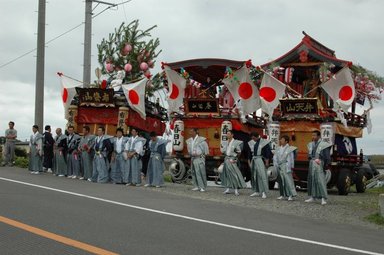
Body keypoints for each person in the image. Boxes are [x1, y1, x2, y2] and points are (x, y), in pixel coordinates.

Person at [305, 130, 332, 205]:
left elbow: (327, 156)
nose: (313, 137)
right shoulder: (311, 144)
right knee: (312, 179)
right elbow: (309, 155)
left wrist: (326, 165)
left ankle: (323, 198)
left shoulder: (324, 144)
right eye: (312, 135)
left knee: (320, 180)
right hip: (312, 162)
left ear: (319, 136)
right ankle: (312, 196)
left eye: (314, 135)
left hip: (319, 162)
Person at [220, 130, 246, 196]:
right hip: (226, 159)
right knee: (227, 174)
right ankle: (228, 188)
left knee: (234, 174)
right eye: (227, 134)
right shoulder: (226, 142)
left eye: (229, 134)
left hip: (232, 159)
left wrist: (235, 159)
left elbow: (239, 152)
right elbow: (224, 151)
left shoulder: (236, 142)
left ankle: (236, 189)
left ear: (232, 135)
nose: (227, 135)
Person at [248, 131, 272, 199]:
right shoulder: (252, 143)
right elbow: (250, 153)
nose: (253, 139)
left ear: (257, 136)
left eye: (254, 138)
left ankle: (264, 192)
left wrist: (267, 162)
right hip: (254, 160)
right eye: (252, 138)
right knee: (254, 175)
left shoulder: (264, 142)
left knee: (262, 175)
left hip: (260, 159)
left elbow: (267, 153)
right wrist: (249, 162)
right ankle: (256, 191)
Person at [273, 135, 297, 201]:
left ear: (286, 141)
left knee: (288, 181)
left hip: (286, 165)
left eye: (282, 139)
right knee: (281, 181)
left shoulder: (289, 149)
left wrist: (290, 167)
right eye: (280, 139)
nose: (280, 140)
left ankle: (290, 195)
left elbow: (291, 159)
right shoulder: (278, 148)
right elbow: (275, 157)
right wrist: (276, 164)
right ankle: (282, 194)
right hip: (279, 165)